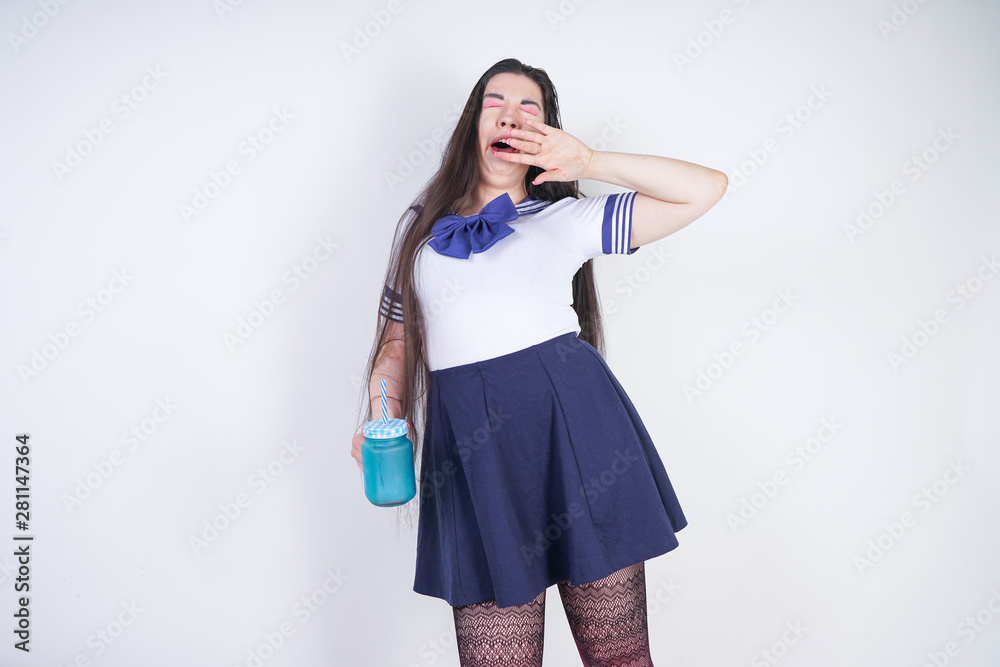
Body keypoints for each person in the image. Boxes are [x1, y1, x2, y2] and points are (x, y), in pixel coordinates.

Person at [352, 58, 727, 667]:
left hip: (577, 439)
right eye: (494, 103)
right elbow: (396, 344)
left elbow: (705, 188)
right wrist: (382, 418)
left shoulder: (564, 220)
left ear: (546, 134)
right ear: (473, 124)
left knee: (621, 662)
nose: (510, 116)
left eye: (529, 109)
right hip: (470, 455)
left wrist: (591, 162)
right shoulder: (419, 232)